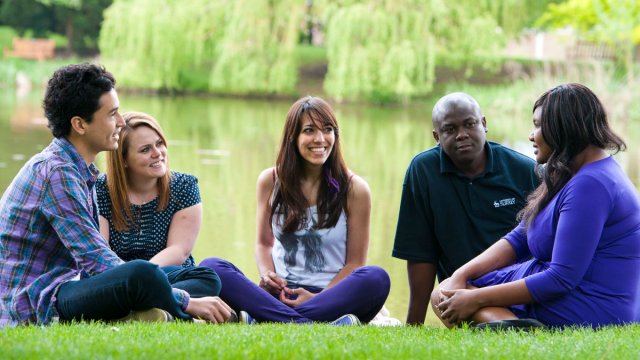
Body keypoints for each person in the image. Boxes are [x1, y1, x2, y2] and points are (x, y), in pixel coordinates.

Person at [0, 64, 232, 327]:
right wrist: (186, 301)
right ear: (79, 124)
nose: (121, 122)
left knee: (204, 276)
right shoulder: (57, 173)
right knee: (142, 274)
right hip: (38, 300)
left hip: (71, 284)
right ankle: (160, 309)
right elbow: (97, 261)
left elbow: (96, 267)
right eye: (112, 114)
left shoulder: (78, 171)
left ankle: (141, 312)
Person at [432, 83, 640, 329]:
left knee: (450, 298)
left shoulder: (591, 185)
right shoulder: (569, 172)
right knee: (446, 291)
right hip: (563, 287)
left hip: (591, 305)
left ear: (563, 127)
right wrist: (462, 275)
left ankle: (524, 334)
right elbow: (519, 237)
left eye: (538, 125)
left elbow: (562, 278)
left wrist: (476, 297)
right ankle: (515, 328)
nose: (531, 135)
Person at [200, 96, 390, 324]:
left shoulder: (355, 189)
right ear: (293, 137)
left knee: (376, 278)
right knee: (211, 268)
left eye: (327, 130)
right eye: (309, 130)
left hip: (332, 296)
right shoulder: (270, 181)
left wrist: (318, 297)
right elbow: (263, 243)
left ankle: (269, 318)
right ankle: (312, 322)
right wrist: (268, 276)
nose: (320, 139)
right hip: (280, 295)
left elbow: (355, 263)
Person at [392, 92, 540, 325]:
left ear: (484, 124)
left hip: (519, 288)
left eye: (469, 124)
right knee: (442, 294)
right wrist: (414, 324)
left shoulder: (525, 171)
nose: (462, 135)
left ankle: (517, 325)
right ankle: (511, 328)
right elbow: (421, 253)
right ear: (436, 136)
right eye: (450, 129)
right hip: (465, 292)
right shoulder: (423, 171)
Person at [96, 111, 233, 308]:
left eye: (159, 143)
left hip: (170, 274)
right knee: (92, 283)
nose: (157, 153)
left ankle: (137, 307)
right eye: (145, 150)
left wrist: (145, 278)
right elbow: (100, 250)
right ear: (123, 160)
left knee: (208, 280)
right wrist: (131, 278)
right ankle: (169, 307)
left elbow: (179, 250)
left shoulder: (184, 186)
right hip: (118, 277)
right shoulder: (101, 190)